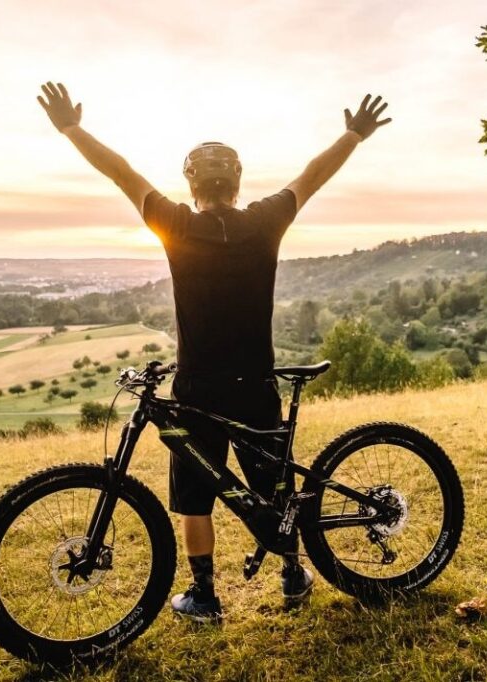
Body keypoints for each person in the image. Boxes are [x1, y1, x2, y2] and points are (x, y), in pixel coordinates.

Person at [36, 81, 392, 623]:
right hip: (255, 385)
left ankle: (204, 596)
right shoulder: (264, 221)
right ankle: (294, 575)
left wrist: (70, 127)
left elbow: (122, 172)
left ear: (193, 184)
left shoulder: (177, 224)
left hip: (197, 388)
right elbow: (312, 176)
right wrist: (353, 135)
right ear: (237, 182)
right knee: (273, 489)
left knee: (194, 494)